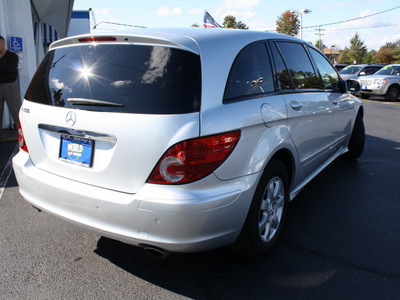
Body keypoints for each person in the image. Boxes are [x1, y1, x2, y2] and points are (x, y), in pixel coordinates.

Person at [0, 35, 21, 130]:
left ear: (3, 43)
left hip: (10, 86)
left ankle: (22, 138)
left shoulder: (12, 56)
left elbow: (10, 70)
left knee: (16, 113)